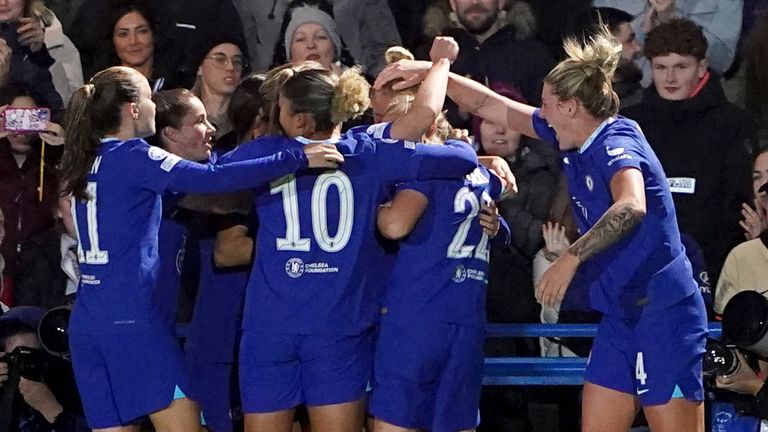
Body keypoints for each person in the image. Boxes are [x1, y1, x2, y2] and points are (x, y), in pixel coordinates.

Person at [375, 25, 708, 431]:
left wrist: (571, 257)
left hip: (664, 314)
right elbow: (488, 103)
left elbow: (632, 205)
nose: (540, 112)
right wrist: (431, 72)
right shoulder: (572, 133)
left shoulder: (617, 140)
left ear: (570, 107)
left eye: (547, 104)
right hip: (620, 315)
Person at [222, 37, 505, 432]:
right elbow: (454, 151)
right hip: (339, 326)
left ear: (299, 119)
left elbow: (203, 180)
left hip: (269, 326)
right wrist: (441, 63)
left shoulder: (265, 153)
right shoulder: (367, 150)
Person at [57, 65, 344, 431]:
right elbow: (212, 178)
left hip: (87, 323)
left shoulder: (86, 160)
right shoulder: (135, 156)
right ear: (131, 109)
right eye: (148, 98)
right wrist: (298, 158)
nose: (153, 108)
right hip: (132, 324)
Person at [369, 55, 510, 432]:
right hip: (466, 320)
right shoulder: (479, 173)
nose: (388, 139)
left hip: (416, 316)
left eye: (393, 126)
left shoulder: (421, 172)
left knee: (395, 419)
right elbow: (497, 218)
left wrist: (372, 206)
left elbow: (396, 225)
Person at [621, 18, 753, 286]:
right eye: (661, 67)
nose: (670, 78)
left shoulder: (734, 124)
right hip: (638, 263)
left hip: (714, 264)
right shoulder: (629, 124)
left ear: (702, 67)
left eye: (681, 66)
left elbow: (736, 204)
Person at [0, 306, 89, 432]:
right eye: (15, 358)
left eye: (32, 357)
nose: (24, 366)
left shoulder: (77, 386)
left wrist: (53, 411)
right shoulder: (5, 391)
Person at [190, 35, 249, 150]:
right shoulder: (181, 115)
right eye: (220, 59)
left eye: (237, 61)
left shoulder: (249, 118)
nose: (231, 67)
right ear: (199, 67)